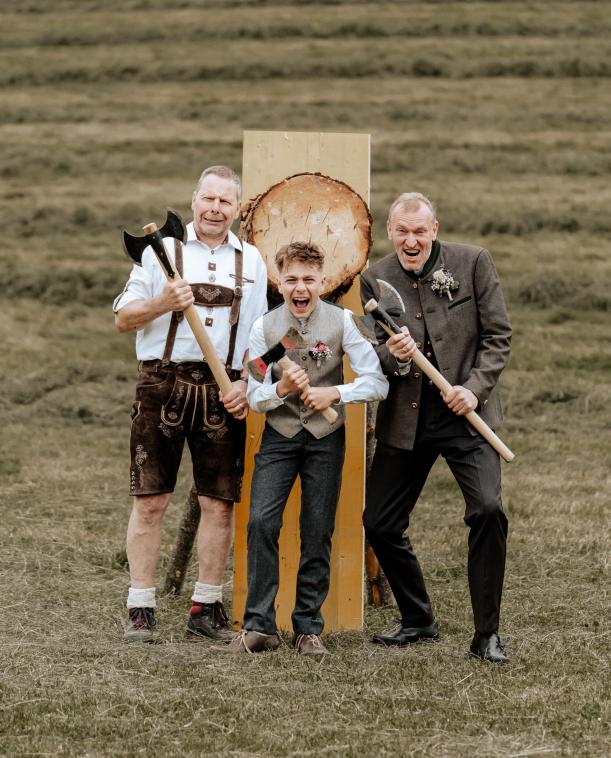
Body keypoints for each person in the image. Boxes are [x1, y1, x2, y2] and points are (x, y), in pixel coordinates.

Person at [113, 165, 267, 643]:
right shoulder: (165, 253)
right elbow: (122, 318)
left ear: (237, 210)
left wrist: (247, 383)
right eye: (208, 199)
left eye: (225, 201)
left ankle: (206, 607)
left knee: (219, 503)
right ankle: (141, 606)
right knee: (152, 497)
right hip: (161, 383)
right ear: (194, 200)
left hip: (224, 389)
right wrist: (163, 302)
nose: (216, 208)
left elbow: (260, 339)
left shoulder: (253, 261)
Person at [360, 192, 512, 663]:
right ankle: (418, 617)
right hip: (407, 420)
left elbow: (498, 336)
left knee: (488, 510)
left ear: (434, 228)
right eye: (402, 231)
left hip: (466, 415)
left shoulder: (473, 263)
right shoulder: (374, 279)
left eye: (419, 231)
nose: (411, 240)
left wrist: (474, 388)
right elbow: (372, 354)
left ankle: (486, 634)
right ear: (390, 231)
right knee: (380, 522)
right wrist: (396, 357)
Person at [222, 242, 388, 655]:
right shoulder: (265, 329)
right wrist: (280, 387)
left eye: (308, 280)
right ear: (280, 283)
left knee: (317, 531)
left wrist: (335, 391)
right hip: (279, 439)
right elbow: (255, 392)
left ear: (321, 282)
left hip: (325, 440)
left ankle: (307, 629)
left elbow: (377, 382)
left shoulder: (343, 323)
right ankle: (259, 627)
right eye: (292, 279)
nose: (300, 287)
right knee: (261, 522)